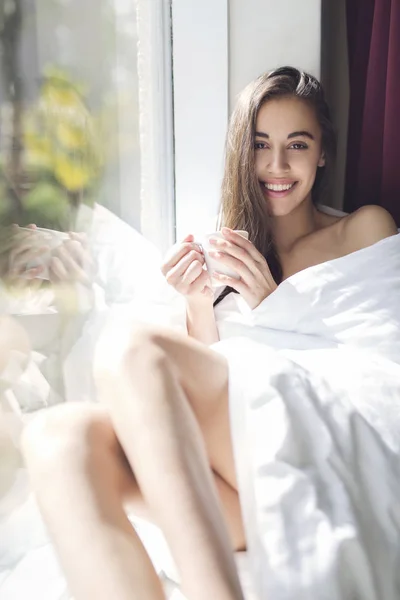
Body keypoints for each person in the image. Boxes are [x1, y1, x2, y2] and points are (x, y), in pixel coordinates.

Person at [20, 67, 398, 600]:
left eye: (297, 144)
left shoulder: (363, 229)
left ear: (323, 154)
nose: (277, 165)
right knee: (57, 441)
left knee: (132, 346)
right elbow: (208, 390)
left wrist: (272, 303)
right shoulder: (226, 260)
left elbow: (382, 365)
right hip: (243, 475)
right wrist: (199, 302)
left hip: (332, 443)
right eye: (260, 145)